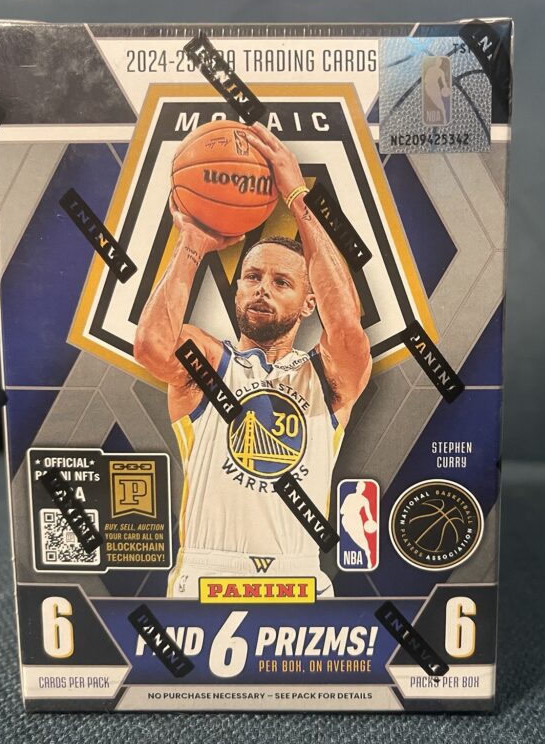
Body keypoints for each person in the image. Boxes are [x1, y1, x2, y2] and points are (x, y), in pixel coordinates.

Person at [133, 122, 372, 598]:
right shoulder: (209, 364)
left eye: (282, 282)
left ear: (309, 304)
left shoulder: (326, 376)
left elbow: (347, 324)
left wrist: (297, 198)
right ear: (237, 288)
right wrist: (191, 243)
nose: (262, 288)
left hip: (299, 578)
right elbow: (152, 346)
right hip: (208, 576)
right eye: (252, 277)